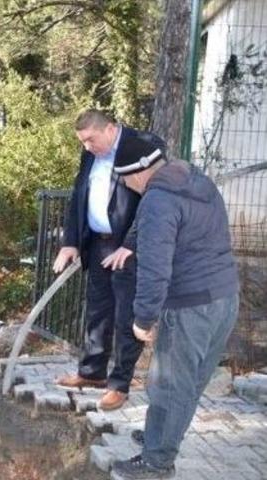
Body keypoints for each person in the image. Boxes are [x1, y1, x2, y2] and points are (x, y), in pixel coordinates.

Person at [107, 136, 239, 480]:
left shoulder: (157, 202)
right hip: (224, 298)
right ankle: (159, 438)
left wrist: (143, 318)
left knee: (170, 385)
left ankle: (156, 463)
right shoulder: (196, 180)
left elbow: (155, 267)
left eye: (125, 178)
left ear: (137, 172)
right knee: (188, 382)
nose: (127, 185)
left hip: (190, 305)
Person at [54, 109, 166, 411]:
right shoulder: (90, 155)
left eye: (90, 139)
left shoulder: (141, 145)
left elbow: (152, 203)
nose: (86, 147)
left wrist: (130, 244)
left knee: (126, 318)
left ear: (110, 129)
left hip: (129, 249)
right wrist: (71, 242)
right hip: (99, 246)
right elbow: (79, 196)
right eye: (82, 142)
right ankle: (91, 374)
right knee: (97, 312)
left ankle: (120, 385)